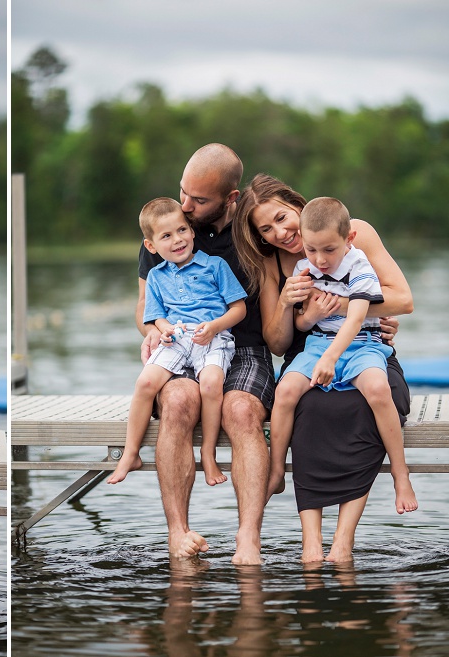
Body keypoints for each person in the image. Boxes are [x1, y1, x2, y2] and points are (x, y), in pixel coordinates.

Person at [233, 173, 414, 562]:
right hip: (310, 353)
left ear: (296, 204)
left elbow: (403, 300)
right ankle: (310, 543)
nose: (280, 233)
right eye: (266, 229)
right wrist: (287, 304)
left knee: (364, 403)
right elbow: (278, 343)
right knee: (310, 409)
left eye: (282, 218)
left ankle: (343, 540)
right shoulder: (273, 265)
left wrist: (347, 305)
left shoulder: (354, 233)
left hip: (366, 345)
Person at [137, 144, 274, 564]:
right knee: (178, 401)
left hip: (245, 346)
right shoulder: (166, 230)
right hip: (182, 344)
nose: (186, 206)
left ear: (230, 198)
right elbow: (145, 311)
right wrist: (151, 332)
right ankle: (177, 532)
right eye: (184, 192)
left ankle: (248, 538)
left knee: (241, 411)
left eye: (199, 200)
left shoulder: (253, 232)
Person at [266, 197, 416, 516]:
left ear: (348, 240)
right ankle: (276, 469)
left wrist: (331, 358)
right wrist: (309, 315)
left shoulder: (359, 267)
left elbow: (356, 319)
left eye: (328, 250)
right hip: (318, 344)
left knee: (377, 390)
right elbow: (304, 321)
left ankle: (401, 475)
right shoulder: (303, 268)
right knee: (286, 391)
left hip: (361, 343)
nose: (319, 260)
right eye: (311, 250)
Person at [110, 198, 247, 487]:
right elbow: (155, 316)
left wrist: (214, 327)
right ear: (151, 246)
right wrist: (165, 329)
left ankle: (207, 454)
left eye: (182, 230)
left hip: (213, 336)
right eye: (166, 236)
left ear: (192, 231)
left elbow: (239, 309)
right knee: (146, 383)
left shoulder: (215, 266)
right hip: (178, 338)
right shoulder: (156, 276)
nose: (177, 240)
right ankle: (130, 453)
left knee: (211, 382)